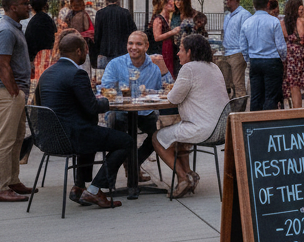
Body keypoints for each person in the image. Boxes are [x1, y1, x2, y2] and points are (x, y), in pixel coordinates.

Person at [35, 33, 130, 208]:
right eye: (86, 51)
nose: (87, 54)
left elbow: (40, 106)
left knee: (91, 129)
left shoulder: (46, 74)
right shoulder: (76, 74)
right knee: (126, 141)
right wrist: (109, 101)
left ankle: (79, 186)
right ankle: (94, 190)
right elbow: (92, 107)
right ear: (79, 51)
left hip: (50, 139)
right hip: (73, 137)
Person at [152, 34, 230, 198]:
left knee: (157, 138)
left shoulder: (189, 69)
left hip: (203, 129)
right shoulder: (213, 66)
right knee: (178, 134)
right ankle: (189, 174)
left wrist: (171, 90)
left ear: (190, 52)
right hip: (223, 128)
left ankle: (183, 178)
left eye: (181, 50)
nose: (178, 54)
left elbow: (173, 98)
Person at [102, 31, 173, 181]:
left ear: (146, 46)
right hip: (120, 111)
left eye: (138, 44)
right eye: (130, 43)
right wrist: (120, 92)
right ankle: (122, 171)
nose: (133, 47)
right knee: (118, 127)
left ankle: (133, 164)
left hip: (145, 112)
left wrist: (164, 68)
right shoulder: (115, 64)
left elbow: (170, 89)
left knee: (159, 136)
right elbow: (106, 90)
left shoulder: (154, 65)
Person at [0, 0, 33, 202]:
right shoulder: (6, 30)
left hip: (16, 92)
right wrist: (13, 91)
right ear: (12, 7)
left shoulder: (14, 28)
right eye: (24, 4)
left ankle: (12, 180)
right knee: (5, 139)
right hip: (8, 91)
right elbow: (1, 62)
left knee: (17, 137)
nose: (29, 6)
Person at [240, 0, 287, 110]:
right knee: (271, 96)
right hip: (272, 61)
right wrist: (283, 59)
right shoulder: (274, 21)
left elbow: (243, 46)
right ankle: (268, 124)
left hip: (255, 61)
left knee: (255, 96)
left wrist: (248, 59)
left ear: (254, 5)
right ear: (268, 4)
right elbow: (280, 45)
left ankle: (255, 125)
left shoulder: (247, 22)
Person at [92, 0, 137, 69]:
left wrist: (97, 50)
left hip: (105, 50)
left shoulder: (100, 13)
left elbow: (97, 34)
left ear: (106, 0)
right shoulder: (125, 13)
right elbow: (133, 31)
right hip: (123, 50)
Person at [281, 0, 304, 109]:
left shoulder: (282, 23)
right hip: (299, 52)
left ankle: (293, 108)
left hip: (288, 53)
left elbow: (282, 39)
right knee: (298, 84)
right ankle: (298, 109)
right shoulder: (302, 21)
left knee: (291, 83)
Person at [216, 0, 249, 99]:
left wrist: (244, 52)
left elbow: (247, 34)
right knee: (225, 84)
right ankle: (229, 107)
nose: (227, 1)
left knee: (238, 83)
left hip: (238, 53)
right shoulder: (227, 16)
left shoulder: (244, 15)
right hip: (226, 52)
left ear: (236, 1)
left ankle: (240, 111)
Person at [24, 0, 57, 77]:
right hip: (45, 58)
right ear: (46, 5)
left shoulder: (33, 21)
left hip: (35, 58)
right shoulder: (47, 20)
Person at [150, 0, 180, 75]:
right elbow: (157, 37)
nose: (174, 7)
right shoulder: (158, 19)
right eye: (171, 5)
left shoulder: (168, 19)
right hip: (162, 48)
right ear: (165, 5)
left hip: (168, 48)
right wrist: (172, 32)